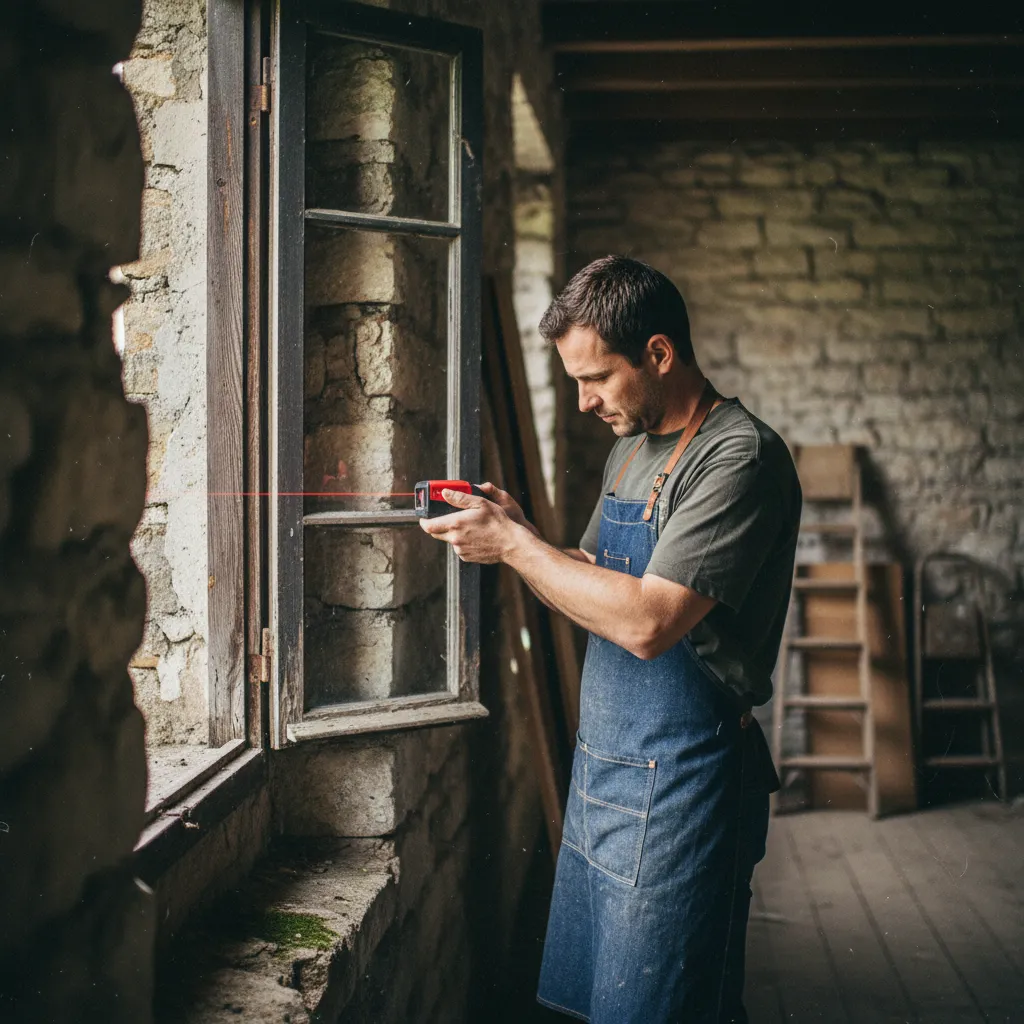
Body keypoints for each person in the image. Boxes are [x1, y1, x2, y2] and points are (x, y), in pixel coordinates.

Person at [420, 255, 801, 1023]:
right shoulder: (633, 445)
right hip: (606, 776)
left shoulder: (737, 457)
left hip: (686, 783)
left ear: (658, 353)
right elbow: (596, 570)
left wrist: (517, 551)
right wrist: (524, 535)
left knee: (667, 1009)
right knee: (610, 1003)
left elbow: (646, 621)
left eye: (597, 378)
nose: (587, 401)